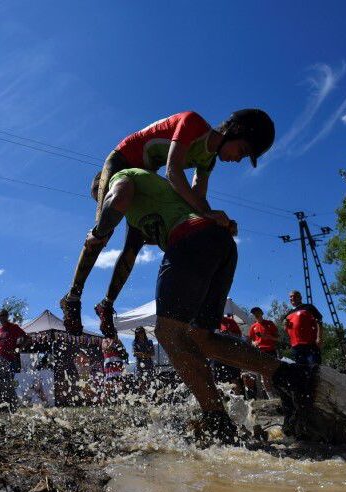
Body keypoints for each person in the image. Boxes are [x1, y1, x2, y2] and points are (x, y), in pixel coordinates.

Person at [74, 166, 315, 443]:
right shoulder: (137, 215)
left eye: (100, 199)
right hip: (218, 243)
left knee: (168, 333)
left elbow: (117, 197)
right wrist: (108, 301)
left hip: (190, 240)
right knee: (202, 338)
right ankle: (291, 376)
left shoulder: (122, 179)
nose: (104, 206)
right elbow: (127, 259)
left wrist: (99, 231)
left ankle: (217, 421)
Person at [60, 109, 276, 336]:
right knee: (104, 231)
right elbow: (173, 172)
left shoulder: (208, 160)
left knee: (134, 245)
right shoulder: (193, 122)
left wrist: (216, 219)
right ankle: (73, 296)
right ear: (233, 131)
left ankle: (107, 304)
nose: (237, 159)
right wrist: (208, 213)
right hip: (121, 161)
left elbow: (198, 199)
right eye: (241, 150)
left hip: (142, 175)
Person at [284, 290, 323, 366]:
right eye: (290, 297)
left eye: (294, 296)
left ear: (300, 297)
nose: (292, 298)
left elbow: (319, 321)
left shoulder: (308, 307)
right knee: (301, 370)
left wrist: (319, 337)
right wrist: (285, 325)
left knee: (314, 367)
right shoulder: (288, 314)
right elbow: (286, 329)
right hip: (296, 346)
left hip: (310, 344)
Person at [101, 336, 126, 402]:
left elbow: (123, 350)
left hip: (118, 364)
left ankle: (120, 402)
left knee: (120, 385)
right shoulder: (105, 340)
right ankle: (104, 403)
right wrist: (112, 341)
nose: (115, 335)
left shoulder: (118, 340)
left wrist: (119, 344)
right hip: (110, 365)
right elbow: (106, 350)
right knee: (109, 386)